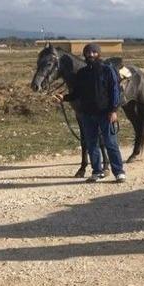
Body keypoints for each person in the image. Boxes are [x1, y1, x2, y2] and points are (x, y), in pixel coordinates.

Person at [56, 43, 126, 183]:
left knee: (110, 143)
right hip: (87, 114)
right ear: (85, 55)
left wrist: (113, 110)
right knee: (92, 144)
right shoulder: (82, 73)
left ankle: (119, 172)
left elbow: (114, 91)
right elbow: (77, 93)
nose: (91, 55)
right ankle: (97, 171)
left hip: (105, 113)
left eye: (94, 52)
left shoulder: (107, 70)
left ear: (98, 54)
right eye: (88, 52)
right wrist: (65, 98)